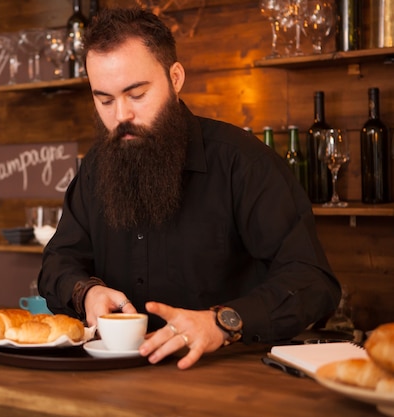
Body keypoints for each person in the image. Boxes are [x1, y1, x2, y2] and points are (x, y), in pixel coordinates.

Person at [37, 7, 341, 370]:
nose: (121, 116)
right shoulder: (95, 168)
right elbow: (57, 262)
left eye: (136, 95)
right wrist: (86, 293)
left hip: (229, 378)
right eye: (104, 100)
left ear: (175, 77)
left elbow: (313, 281)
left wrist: (223, 322)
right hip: (115, 378)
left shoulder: (243, 163)